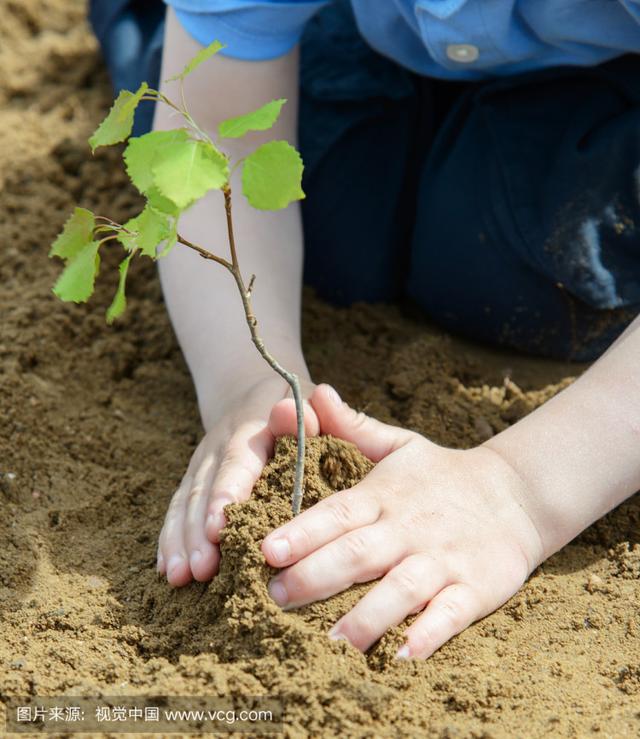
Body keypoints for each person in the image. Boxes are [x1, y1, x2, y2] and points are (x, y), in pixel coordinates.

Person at [89, 0, 640, 660]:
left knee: (525, 266)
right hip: (373, 37)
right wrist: (245, 381)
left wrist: (518, 490)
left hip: (610, 69)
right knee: (334, 229)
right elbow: (216, 132)